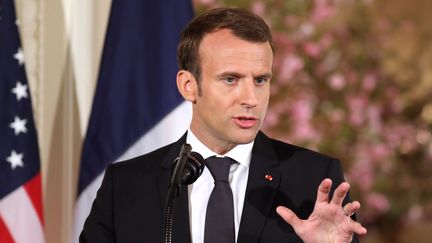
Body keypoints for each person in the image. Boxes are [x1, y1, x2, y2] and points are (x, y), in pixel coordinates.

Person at [80, 7, 367, 243]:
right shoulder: (128, 185)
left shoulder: (314, 180)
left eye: (260, 80)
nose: (251, 99)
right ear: (189, 86)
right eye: (230, 79)